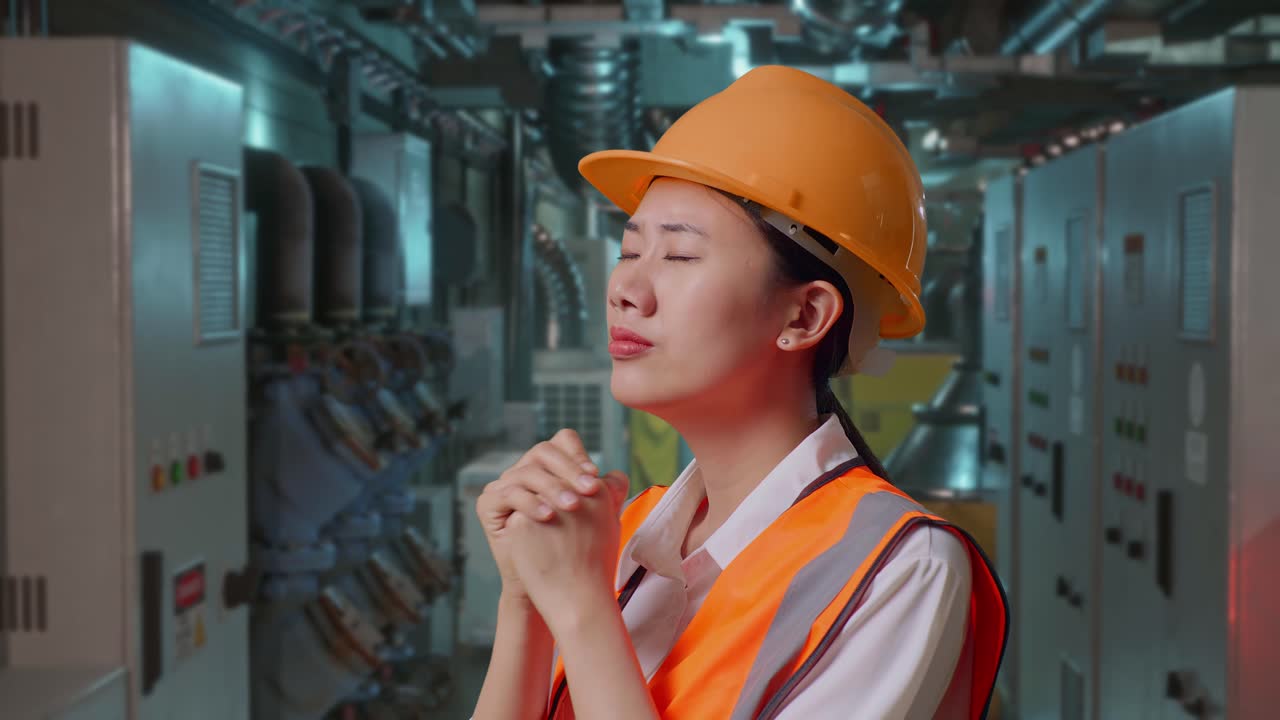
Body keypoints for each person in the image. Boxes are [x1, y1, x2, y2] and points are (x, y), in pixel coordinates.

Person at [471, 65, 1008, 720]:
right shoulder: (626, 533)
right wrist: (527, 600)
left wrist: (583, 608)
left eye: (678, 257)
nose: (625, 289)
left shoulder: (899, 568)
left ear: (803, 318)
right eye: (629, 249)